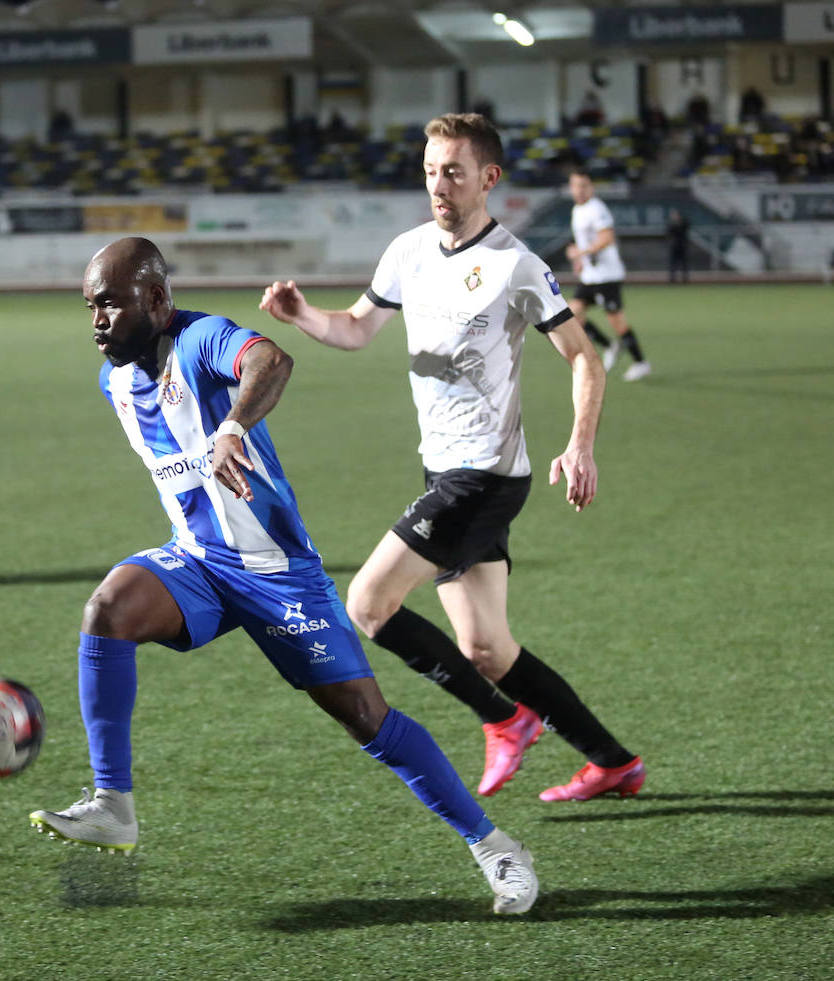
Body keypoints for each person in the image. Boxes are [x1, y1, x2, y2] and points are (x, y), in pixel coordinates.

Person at [30, 236, 538, 915]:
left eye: (111, 305)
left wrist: (233, 427)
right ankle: (112, 803)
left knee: (367, 718)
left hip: (278, 574)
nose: (97, 320)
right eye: (90, 307)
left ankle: (497, 847)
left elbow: (270, 358)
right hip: (200, 563)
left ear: (156, 299)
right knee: (109, 610)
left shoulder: (201, 338)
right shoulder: (115, 379)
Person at [260, 113, 645, 804]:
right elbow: (354, 329)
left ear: (490, 178)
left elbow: (585, 357)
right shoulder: (407, 251)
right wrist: (303, 315)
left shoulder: (516, 266)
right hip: (442, 471)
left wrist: (580, 442)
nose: (439, 184)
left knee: (369, 603)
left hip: (485, 477)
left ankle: (504, 719)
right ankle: (613, 762)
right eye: (432, 170)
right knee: (487, 650)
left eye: (455, 171)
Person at [566, 169, 650, 381]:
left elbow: (607, 238)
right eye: (576, 185)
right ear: (571, 188)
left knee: (617, 321)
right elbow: (586, 241)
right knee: (571, 313)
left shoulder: (597, 208)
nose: (580, 189)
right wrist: (580, 260)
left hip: (607, 275)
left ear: (591, 187)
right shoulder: (577, 210)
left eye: (584, 185)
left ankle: (641, 363)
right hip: (591, 275)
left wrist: (581, 253)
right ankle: (610, 346)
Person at [666, 208, 691, 283]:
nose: (674, 216)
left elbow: (687, 226)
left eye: (675, 215)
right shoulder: (671, 224)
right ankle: (672, 279)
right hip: (674, 247)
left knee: (684, 264)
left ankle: (685, 279)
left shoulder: (683, 223)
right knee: (673, 264)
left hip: (682, 246)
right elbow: (668, 233)